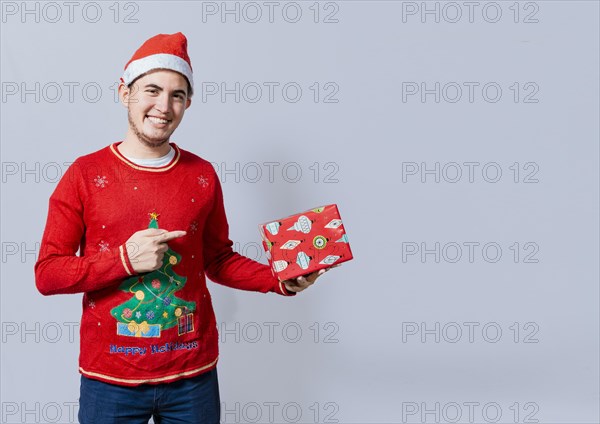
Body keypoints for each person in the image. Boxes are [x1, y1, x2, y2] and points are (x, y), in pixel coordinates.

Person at [34, 32, 328, 424]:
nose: (163, 106)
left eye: (177, 95)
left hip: (193, 378)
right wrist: (124, 259)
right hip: (111, 381)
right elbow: (48, 273)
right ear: (124, 93)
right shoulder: (85, 175)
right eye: (151, 91)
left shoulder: (202, 175)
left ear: (188, 103)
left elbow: (218, 259)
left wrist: (279, 279)